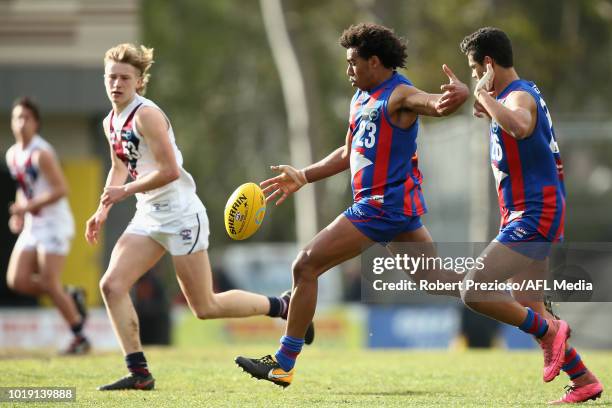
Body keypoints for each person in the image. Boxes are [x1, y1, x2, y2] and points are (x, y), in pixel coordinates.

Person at [235, 23, 470, 387]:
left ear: (374, 62)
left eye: (352, 63)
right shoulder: (360, 98)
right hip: (395, 210)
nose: (348, 71)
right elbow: (348, 152)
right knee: (436, 280)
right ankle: (524, 305)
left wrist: (457, 95)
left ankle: (283, 362)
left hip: (380, 206)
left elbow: (433, 104)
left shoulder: (399, 93)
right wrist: (304, 175)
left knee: (305, 265)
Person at [87, 43, 313, 391]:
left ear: (138, 81)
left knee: (204, 306)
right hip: (149, 215)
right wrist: (102, 209)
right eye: (111, 77)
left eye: (124, 78)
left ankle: (281, 306)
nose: (116, 84)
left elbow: (170, 171)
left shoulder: (147, 115)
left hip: (180, 215)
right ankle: (139, 373)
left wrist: (125, 192)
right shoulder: (110, 121)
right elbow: (120, 165)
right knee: (111, 285)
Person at [458, 27, 603, 404]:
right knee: (530, 304)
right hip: (525, 211)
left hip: (535, 212)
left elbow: (520, 126)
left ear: (488, 64)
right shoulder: (510, 95)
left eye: (475, 70)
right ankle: (583, 379)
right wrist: (483, 102)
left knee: (473, 289)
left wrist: (482, 96)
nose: (475, 77)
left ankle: (553, 331)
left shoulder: (519, 95)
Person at [5, 97, 89, 354]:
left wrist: (26, 208)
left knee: (49, 281)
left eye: (27, 118)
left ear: (36, 123)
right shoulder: (13, 154)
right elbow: (25, 189)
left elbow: (62, 189)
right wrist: (20, 214)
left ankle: (80, 338)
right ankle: (69, 295)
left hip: (54, 224)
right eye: (17, 118)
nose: (21, 123)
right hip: (34, 224)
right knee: (16, 280)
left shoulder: (42, 153)